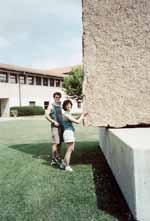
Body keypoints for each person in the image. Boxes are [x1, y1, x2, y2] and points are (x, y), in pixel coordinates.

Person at [61, 99, 87, 172]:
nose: (69, 106)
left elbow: (74, 119)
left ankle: (63, 163)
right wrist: (82, 115)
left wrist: (81, 115)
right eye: (67, 105)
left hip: (70, 132)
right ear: (65, 106)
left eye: (70, 105)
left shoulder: (68, 114)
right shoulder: (66, 114)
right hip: (68, 132)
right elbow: (77, 122)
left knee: (71, 149)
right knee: (69, 150)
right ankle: (67, 166)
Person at [45, 92, 64, 166]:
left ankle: (58, 157)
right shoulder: (51, 105)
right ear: (54, 97)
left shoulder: (60, 105)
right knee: (55, 143)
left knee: (59, 143)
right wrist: (53, 121)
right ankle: (53, 159)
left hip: (62, 126)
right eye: (56, 97)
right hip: (55, 127)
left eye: (59, 97)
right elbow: (46, 116)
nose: (57, 98)